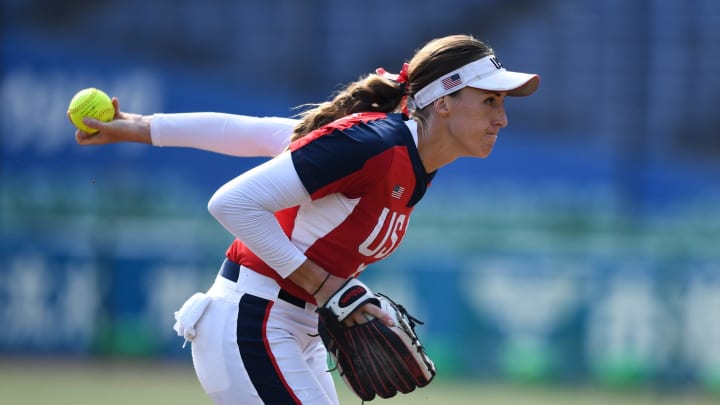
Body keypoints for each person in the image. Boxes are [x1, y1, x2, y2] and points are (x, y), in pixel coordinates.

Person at [75, 34, 539, 404]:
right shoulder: (374, 145)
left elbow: (258, 131)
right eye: (489, 102)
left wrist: (139, 125)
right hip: (251, 323)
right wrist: (328, 288)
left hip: (297, 329)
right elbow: (231, 203)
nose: (502, 118)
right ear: (443, 101)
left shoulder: (412, 159)